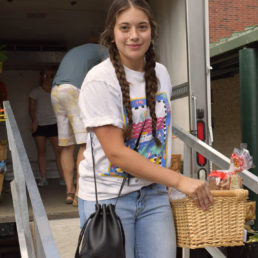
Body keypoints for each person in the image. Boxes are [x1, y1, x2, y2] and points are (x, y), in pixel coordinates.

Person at [78, 0, 214, 257]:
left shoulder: (161, 73)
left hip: (153, 194)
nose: (134, 36)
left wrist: (166, 181)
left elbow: (159, 134)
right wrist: (179, 180)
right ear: (112, 33)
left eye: (142, 27)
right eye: (125, 27)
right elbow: (116, 153)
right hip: (108, 200)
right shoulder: (99, 80)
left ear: (152, 30)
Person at [51, 43, 108, 206]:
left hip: (56, 91)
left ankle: (69, 191)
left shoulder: (78, 50)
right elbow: (110, 74)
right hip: (73, 90)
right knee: (85, 143)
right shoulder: (104, 50)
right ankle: (79, 194)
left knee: (66, 146)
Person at [29, 68, 64, 187]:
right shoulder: (35, 91)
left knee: (59, 152)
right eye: (46, 75)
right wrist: (34, 121)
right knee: (41, 152)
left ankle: (63, 178)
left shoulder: (57, 91)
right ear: (41, 76)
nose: (48, 78)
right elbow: (31, 109)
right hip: (40, 124)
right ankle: (43, 178)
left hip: (54, 124)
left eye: (51, 75)